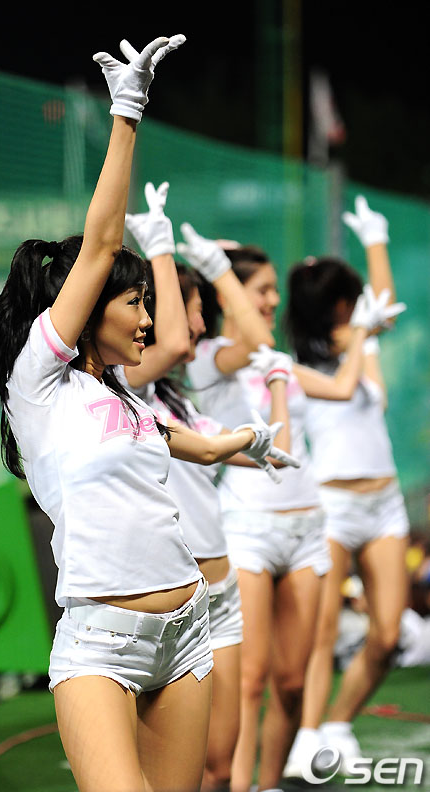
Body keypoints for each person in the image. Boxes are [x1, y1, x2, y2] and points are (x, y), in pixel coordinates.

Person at [0, 35, 293, 792]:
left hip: (186, 633)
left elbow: (194, 446)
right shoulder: (39, 383)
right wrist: (127, 114)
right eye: (136, 303)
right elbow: (100, 245)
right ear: (90, 309)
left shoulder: (125, 396)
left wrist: (248, 442)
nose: (150, 319)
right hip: (101, 646)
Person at [178, 223, 402, 792]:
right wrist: (220, 272)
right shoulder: (210, 359)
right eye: (263, 289)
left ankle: (271, 783)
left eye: (276, 289)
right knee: (249, 680)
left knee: (293, 683)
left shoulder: (275, 359)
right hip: (248, 531)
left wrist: (365, 331)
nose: (274, 300)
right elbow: (251, 339)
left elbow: (344, 388)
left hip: (308, 527)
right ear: (233, 294)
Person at [122, 182, 300, 792]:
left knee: (222, 763)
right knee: (178, 772)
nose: (199, 324)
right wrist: (161, 247)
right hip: (174, 592)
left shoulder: (175, 394)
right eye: (190, 308)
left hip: (220, 594)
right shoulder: (129, 384)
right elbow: (176, 340)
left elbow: (252, 447)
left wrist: (266, 437)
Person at [283, 196, 410, 778]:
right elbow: (361, 336)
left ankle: (337, 723)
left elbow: (382, 304)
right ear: (332, 307)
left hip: (385, 504)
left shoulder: (364, 337)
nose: (359, 307)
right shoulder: (296, 363)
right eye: (347, 300)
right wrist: (361, 333)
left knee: (388, 633)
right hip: (332, 507)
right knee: (323, 631)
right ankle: (307, 738)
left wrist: (375, 240)